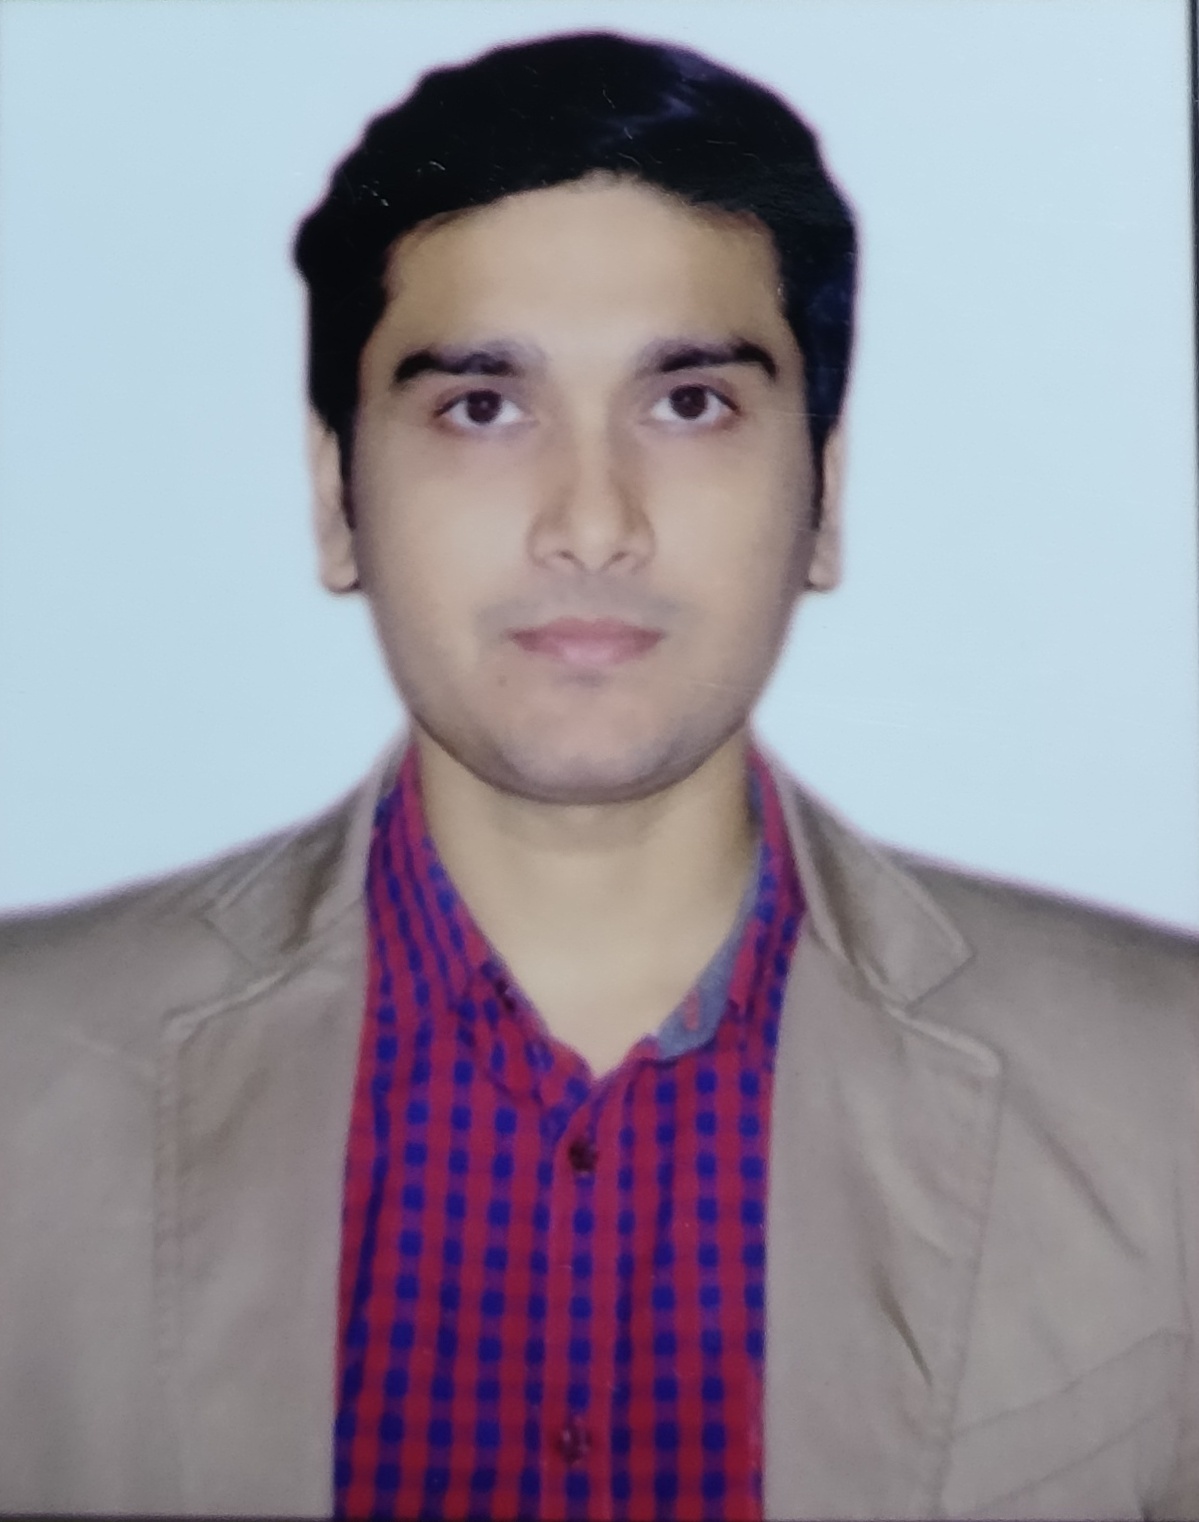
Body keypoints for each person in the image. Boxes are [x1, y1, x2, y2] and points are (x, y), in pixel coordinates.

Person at [0, 28, 1195, 1521]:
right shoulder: (25, 1093)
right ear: (335, 498)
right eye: (481, 407)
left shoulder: (1166, 1097)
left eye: (688, 403)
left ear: (824, 496)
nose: (591, 521)